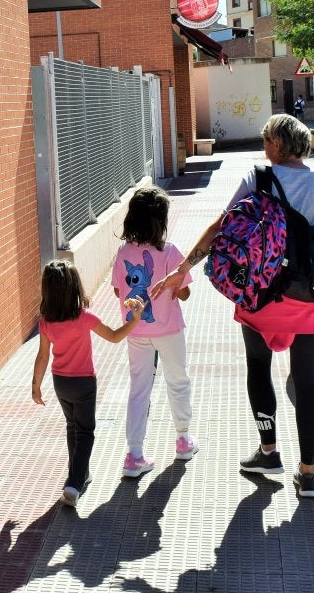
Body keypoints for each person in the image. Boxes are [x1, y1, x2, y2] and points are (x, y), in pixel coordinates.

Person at [154, 113, 314, 500]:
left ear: (277, 144)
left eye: (266, 141)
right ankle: (308, 474)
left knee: (259, 366)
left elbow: (221, 229)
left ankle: (268, 451)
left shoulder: (258, 179)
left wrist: (183, 268)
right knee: (307, 379)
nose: (264, 147)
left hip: (262, 297)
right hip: (313, 300)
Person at [32, 260, 146, 507]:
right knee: (85, 432)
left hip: (60, 382)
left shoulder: (45, 322)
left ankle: (80, 473)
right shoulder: (84, 318)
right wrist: (135, 319)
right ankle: (73, 485)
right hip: (84, 382)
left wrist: (35, 385)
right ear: (74, 287)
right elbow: (115, 337)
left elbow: (43, 356)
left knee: (72, 427)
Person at [111, 186, 197, 479]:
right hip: (169, 330)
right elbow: (183, 293)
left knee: (139, 388)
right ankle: (183, 439)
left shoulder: (123, 252)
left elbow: (116, 290)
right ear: (161, 220)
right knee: (178, 380)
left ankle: (134, 455)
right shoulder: (170, 252)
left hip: (135, 331)